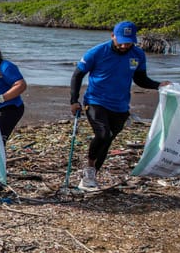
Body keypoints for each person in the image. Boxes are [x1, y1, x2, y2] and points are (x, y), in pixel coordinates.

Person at [70, 21, 171, 190]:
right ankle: (88, 169)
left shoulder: (137, 54)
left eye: (129, 41)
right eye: (121, 41)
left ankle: (92, 176)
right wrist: (74, 100)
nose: (124, 45)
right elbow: (77, 75)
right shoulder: (96, 52)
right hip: (96, 101)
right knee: (102, 134)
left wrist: (158, 85)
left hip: (120, 106)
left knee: (108, 140)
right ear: (113, 36)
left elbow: (140, 79)